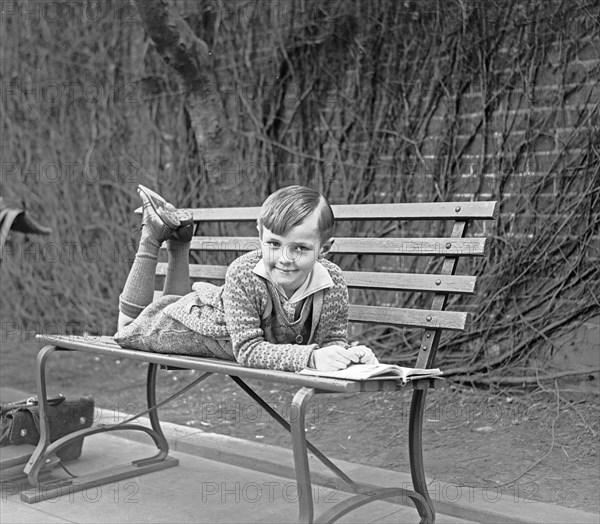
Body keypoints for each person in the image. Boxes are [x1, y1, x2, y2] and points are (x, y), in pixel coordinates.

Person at [114, 184, 378, 372]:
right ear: (260, 235)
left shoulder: (332, 282)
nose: (285, 257)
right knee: (125, 329)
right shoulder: (244, 272)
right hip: (183, 329)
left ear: (325, 248)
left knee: (173, 301)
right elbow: (249, 350)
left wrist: (348, 356)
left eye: (300, 248)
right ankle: (151, 236)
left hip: (214, 324)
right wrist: (310, 358)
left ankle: (180, 240)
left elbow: (330, 342)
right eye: (274, 244)